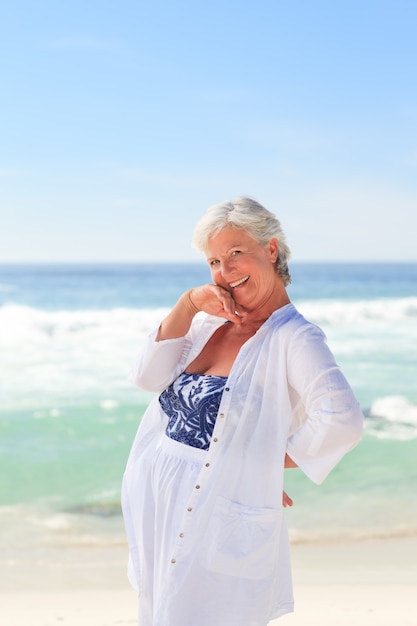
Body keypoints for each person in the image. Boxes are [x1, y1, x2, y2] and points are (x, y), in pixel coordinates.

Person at [122, 196, 363, 626]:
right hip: (157, 501)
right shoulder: (209, 323)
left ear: (270, 249)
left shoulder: (294, 337)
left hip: (215, 510)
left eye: (235, 254)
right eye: (213, 261)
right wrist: (188, 304)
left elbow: (341, 421)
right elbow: (146, 376)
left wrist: (257, 468)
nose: (224, 272)